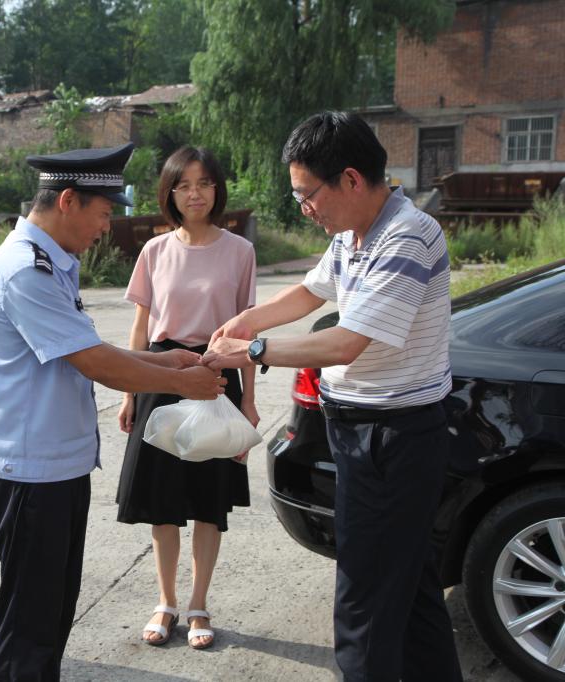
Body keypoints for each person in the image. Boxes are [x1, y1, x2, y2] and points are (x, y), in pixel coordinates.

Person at [202, 111, 462, 682]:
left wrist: (253, 350)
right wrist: (247, 320)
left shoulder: (407, 235)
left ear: (350, 179)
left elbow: (344, 343)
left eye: (307, 195)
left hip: (394, 436)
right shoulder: (351, 233)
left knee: (363, 599)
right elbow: (309, 292)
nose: (305, 209)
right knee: (411, 587)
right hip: (361, 430)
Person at [0, 142, 227, 681]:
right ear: (68, 201)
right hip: (30, 472)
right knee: (29, 621)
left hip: (56, 467)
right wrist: (180, 380)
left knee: (50, 612)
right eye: (105, 212)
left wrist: (165, 358)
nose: (107, 227)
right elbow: (95, 363)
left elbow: (85, 349)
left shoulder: (53, 264)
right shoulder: (26, 270)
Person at [115, 146, 258, 650]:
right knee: (162, 500)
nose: (194, 194)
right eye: (184, 185)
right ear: (170, 193)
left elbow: (247, 332)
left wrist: (248, 401)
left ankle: (199, 605)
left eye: (204, 183)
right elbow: (140, 328)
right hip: (160, 376)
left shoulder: (240, 251)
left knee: (208, 501)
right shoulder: (154, 251)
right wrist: (130, 392)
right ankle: (166, 601)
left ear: (217, 189)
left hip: (218, 376)